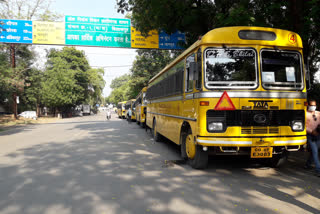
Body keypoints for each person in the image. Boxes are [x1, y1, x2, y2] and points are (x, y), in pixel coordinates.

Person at [304, 100, 320, 177]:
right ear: (308, 105)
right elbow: (303, 126)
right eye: (311, 105)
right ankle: (318, 170)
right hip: (310, 135)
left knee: (314, 151)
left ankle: (308, 164)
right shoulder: (305, 114)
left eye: (314, 105)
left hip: (318, 135)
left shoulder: (318, 113)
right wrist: (311, 131)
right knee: (315, 152)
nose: (313, 107)